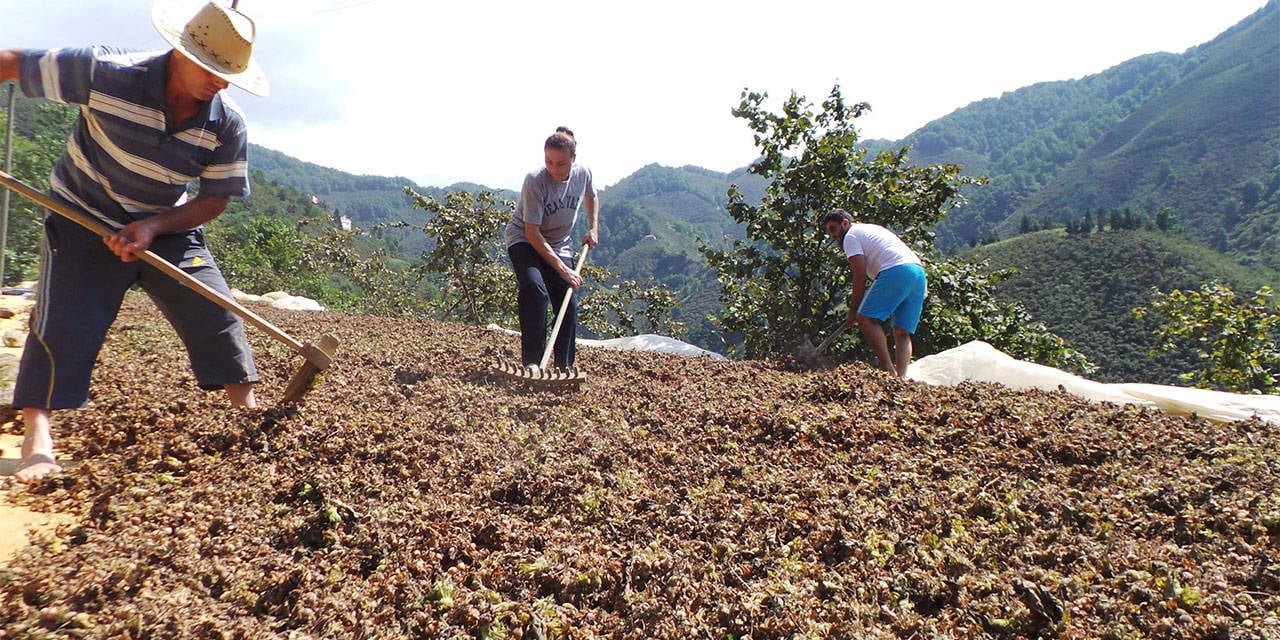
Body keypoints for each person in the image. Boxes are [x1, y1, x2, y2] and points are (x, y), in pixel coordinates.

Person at [0, 0, 270, 483]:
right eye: (211, 69)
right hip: (83, 216)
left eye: (228, 74)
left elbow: (214, 200)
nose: (220, 82)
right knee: (63, 320)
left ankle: (248, 417)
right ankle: (36, 440)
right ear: (181, 51)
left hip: (166, 226)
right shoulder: (106, 71)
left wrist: (153, 228)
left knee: (216, 311)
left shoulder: (226, 123)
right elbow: (13, 62)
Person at [503, 127, 599, 371]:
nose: (554, 169)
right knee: (535, 291)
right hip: (525, 240)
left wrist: (593, 227)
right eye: (549, 161)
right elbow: (532, 232)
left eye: (560, 163)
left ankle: (564, 366)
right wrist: (562, 269)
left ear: (573, 159)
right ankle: (532, 363)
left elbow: (591, 196)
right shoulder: (535, 180)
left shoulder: (583, 173)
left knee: (568, 301)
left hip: (559, 243)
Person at [822, 209, 928, 377]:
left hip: (897, 270)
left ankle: (888, 371)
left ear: (845, 223)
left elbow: (860, 276)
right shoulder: (868, 229)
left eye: (833, 229)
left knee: (865, 319)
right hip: (917, 272)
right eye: (829, 231)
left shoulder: (850, 236)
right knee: (902, 331)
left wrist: (853, 312)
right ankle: (901, 378)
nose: (833, 235)